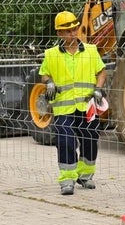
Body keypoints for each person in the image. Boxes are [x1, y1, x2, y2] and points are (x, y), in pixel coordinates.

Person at [40, 10, 107, 196]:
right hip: (64, 107)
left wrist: (98, 89)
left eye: (73, 29)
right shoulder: (51, 54)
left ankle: (85, 176)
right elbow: (44, 73)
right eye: (66, 31)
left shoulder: (91, 51)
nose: (71, 33)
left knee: (90, 140)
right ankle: (67, 179)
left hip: (86, 106)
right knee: (65, 141)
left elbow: (102, 72)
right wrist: (49, 82)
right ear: (59, 33)